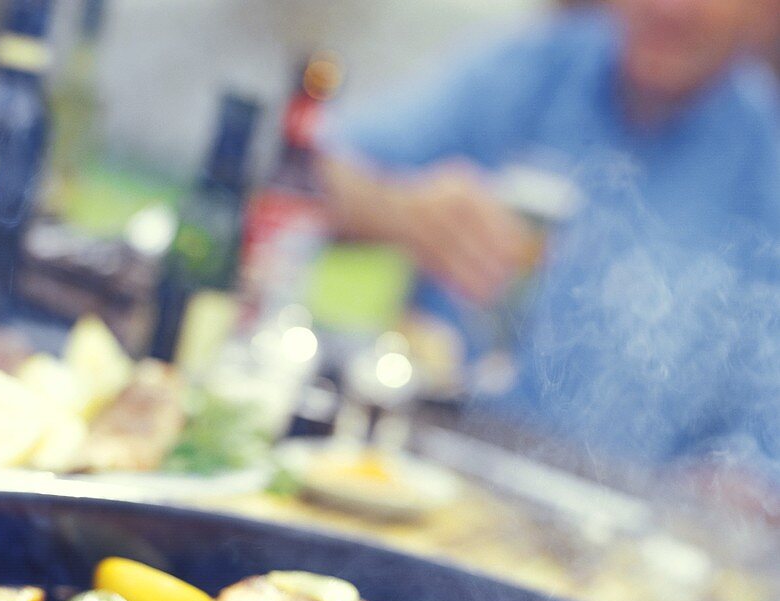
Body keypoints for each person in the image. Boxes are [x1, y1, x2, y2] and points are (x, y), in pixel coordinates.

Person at [318, 0, 780, 498]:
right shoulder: (529, 72)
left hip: (608, 529)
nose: (670, 6)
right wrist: (396, 210)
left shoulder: (765, 167)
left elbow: (760, 449)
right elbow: (295, 167)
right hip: (420, 469)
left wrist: (743, 487)